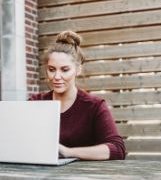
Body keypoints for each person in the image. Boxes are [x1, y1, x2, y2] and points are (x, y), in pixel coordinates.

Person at [30, 30, 125, 160]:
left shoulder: (94, 106)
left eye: (65, 70)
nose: (57, 77)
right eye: (52, 70)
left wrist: (68, 152)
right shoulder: (35, 103)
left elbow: (117, 149)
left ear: (78, 69)